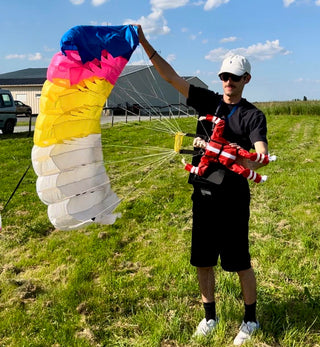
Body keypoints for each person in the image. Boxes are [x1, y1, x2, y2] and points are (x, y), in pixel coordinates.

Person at [136, 24, 269, 346]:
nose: (228, 82)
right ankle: (209, 316)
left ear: (246, 80)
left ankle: (250, 320)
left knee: (239, 260)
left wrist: (255, 158)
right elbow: (171, 77)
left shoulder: (252, 116)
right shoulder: (209, 102)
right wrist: (143, 42)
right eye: (224, 76)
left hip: (234, 196)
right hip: (203, 191)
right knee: (203, 259)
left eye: (234, 77)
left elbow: (260, 147)